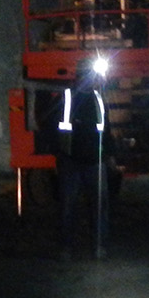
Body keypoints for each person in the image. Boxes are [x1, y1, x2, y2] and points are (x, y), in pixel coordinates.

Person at [55, 77, 114, 258]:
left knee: (89, 206)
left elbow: (106, 129)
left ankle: (91, 247)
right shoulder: (69, 97)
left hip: (88, 161)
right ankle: (73, 247)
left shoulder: (97, 99)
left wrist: (108, 155)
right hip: (75, 161)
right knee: (71, 206)